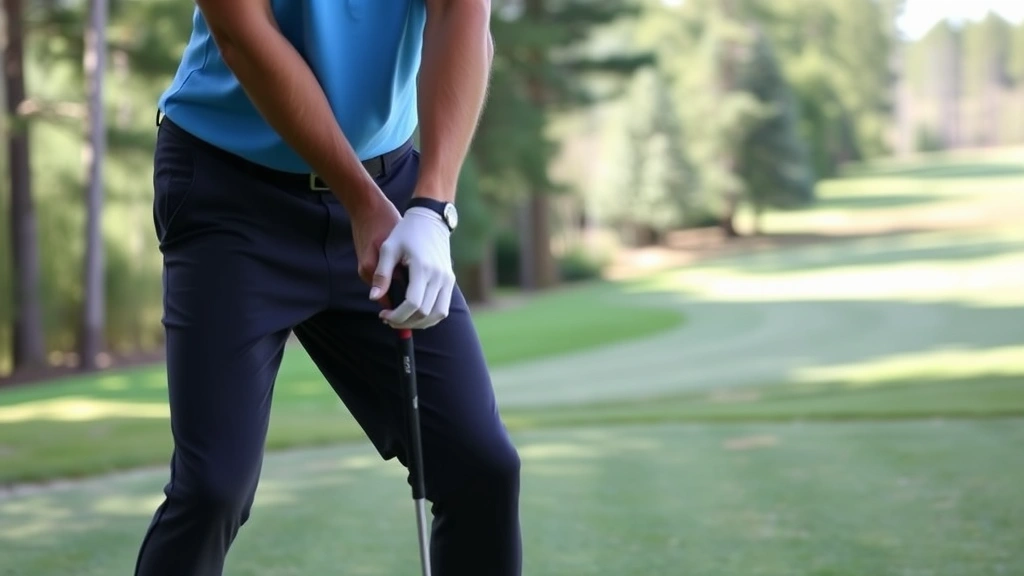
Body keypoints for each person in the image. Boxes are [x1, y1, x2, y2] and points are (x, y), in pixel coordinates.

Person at [133, 1, 522, 575]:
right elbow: (243, 37)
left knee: (479, 465)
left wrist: (432, 207)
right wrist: (361, 200)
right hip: (232, 198)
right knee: (214, 488)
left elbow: (462, 16)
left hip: (392, 196)